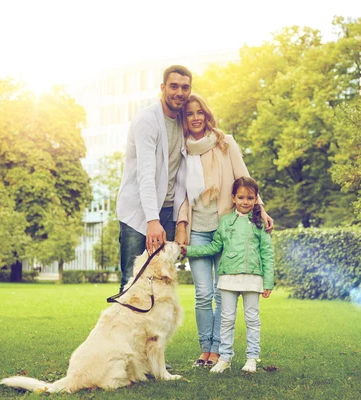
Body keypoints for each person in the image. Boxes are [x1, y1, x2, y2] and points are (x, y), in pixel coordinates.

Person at [175, 94, 273, 367]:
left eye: (200, 112)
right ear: (185, 119)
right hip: (197, 229)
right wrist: (182, 226)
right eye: (190, 114)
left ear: (207, 115)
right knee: (203, 293)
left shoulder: (225, 142)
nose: (195, 118)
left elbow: (245, 177)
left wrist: (260, 208)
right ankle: (204, 349)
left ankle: (218, 352)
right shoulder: (182, 150)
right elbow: (181, 192)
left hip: (224, 227)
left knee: (221, 293)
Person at [182, 176, 274, 374]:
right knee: (226, 319)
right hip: (228, 278)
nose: (245, 202)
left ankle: (252, 358)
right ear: (233, 198)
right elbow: (215, 246)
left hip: (252, 278)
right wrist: (189, 251)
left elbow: (267, 253)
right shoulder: (224, 222)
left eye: (250, 198)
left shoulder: (259, 223)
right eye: (241, 197)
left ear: (256, 199)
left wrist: (268, 282)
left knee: (252, 319)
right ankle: (224, 358)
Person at [116, 65, 192, 293]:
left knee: (162, 280)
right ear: (163, 88)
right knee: (133, 280)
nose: (179, 92)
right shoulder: (147, 120)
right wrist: (152, 221)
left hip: (168, 211)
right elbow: (146, 175)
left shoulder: (184, 121)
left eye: (185, 87)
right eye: (174, 86)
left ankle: (153, 329)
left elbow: (185, 176)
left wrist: (181, 223)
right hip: (138, 212)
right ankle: (124, 328)